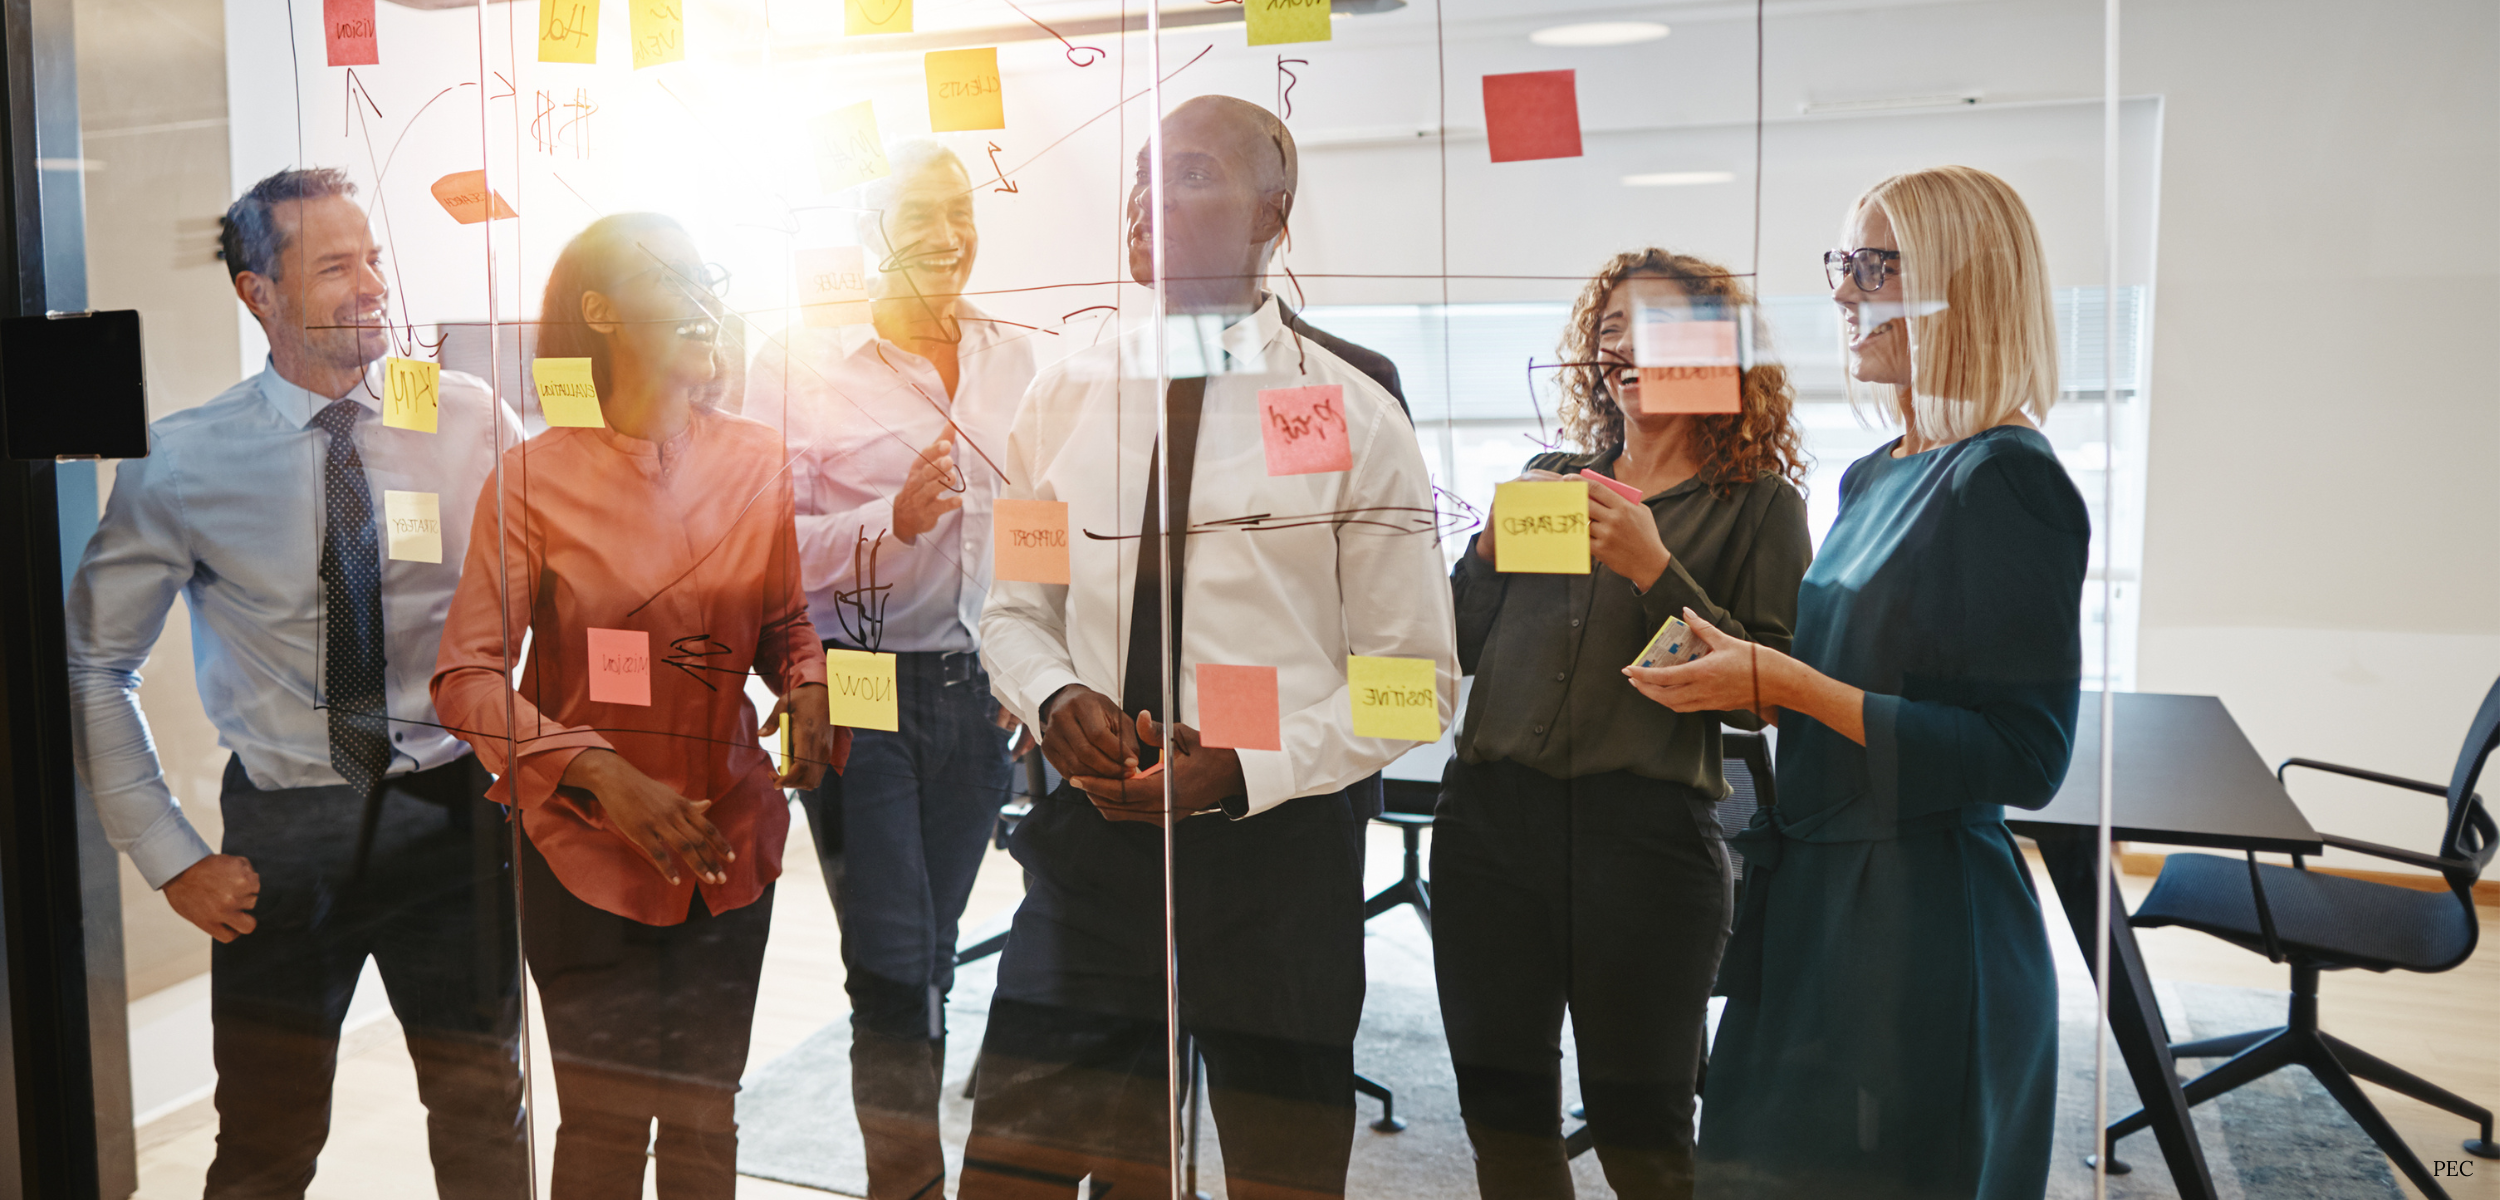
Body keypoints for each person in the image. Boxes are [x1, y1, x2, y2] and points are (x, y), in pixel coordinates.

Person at [962, 95, 1458, 1200]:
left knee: (1281, 1176)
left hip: (1274, 863)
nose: (1148, 198)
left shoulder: (1348, 411)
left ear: (1270, 217)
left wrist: (1242, 768)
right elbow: (1012, 608)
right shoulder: (1061, 400)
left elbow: (1411, 682)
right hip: (1090, 849)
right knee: (1011, 1168)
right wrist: (1052, 698)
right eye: (1142, 174)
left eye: (1188, 174)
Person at [64, 167, 529, 1199]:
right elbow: (94, 662)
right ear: (257, 294)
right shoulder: (183, 460)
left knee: (485, 1120)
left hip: (451, 815)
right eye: (333, 266)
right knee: (267, 1146)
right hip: (286, 834)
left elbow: (561, 582)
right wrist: (169, 854)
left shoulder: (465, 420)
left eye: (373, 256)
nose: (372, 284)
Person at [1628, 166, 2084, 1200]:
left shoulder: (2005, 477)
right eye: (1842, 264)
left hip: (1918, 916)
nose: (1843, 295)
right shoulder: (1877, 472)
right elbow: (1845, 679)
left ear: (1964, 288)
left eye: (1874, 268)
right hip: (1823, 892)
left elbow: (2025, 756)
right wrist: (1749, 677)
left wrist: (1788, 685)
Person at [430, 212, 842, 1200]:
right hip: (583, 852)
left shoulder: (754, 460)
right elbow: (466, 675)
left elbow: (786, 622)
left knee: (706, 1116)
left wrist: (811, 684)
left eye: (713, 276)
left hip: (727, 835)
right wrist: (597, 770)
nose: (708, 300)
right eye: (680, 280)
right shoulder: (530, 480)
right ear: (601, 312)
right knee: (608, 1128)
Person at [1437, 249, 1812, 1199]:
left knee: (1638, 1128)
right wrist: (1482, 552)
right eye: (1608, 334)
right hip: (1490, 827)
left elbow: (1765, 695)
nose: (1622, 351)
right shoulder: (1551, 477)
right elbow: (1459, 646)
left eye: (1651, 329)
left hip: (1644, 846)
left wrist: (1655, 569)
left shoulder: (1760, 508)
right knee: (1501, 1111)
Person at [742, 139, 1035, 1200]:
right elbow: (765, 542)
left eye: (959, 211)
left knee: (933, 946)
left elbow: (1042, 525)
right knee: (891, 961)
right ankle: (902, 1187)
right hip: (855, 681)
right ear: (867, 233)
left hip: (977, 690)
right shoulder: (799, 361)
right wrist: (888, 522)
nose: (948, 235)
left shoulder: (1019, 359)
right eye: (918, 214)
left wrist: (1038, 672)